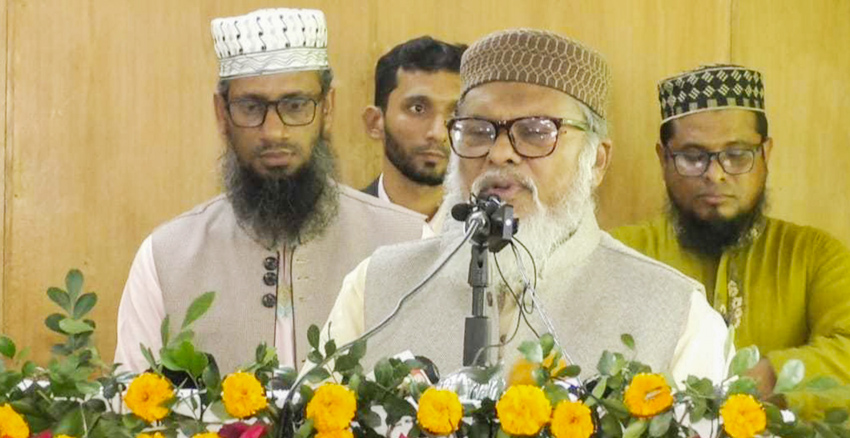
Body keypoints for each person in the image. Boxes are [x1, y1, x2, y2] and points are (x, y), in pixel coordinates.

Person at [321, 29, 730, 384]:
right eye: (479, 131)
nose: (500, 154)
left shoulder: (675, 315)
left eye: (536, 133)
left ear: (597, 161)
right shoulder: (377, 288)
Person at [114, 8, 424, 374]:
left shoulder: (410, 246)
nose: (274, 132)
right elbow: (132, 413)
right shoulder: (166, 258)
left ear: (327, 108)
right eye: (251, 107)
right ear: (221, 113)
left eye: (295, 106)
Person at [613, 64, 850, 413]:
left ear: (766, 155)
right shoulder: (623, 253)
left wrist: (761, 381)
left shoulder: (815, 255)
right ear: (663, 159)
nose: (716, 174)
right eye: (693, 157)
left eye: (737, 155)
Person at [361, 37, 466, 219]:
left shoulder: (489, 236)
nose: (438, 133)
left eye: (456, 114)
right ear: (375, 122)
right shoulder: (336, 230)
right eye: (418, 108)